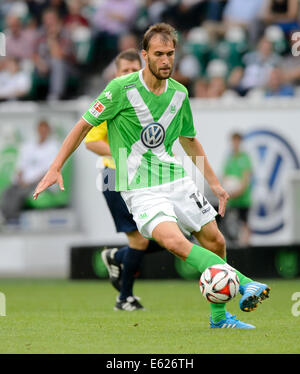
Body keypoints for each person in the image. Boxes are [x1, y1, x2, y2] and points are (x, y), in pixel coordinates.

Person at [33, 23, 271, 329]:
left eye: (170, 53)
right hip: (139, 189)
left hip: (176, 179)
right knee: (173, 242)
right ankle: (246, 282)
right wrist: (55, 167)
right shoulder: (119, 89)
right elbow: (83, 127)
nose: (166, 61)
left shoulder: (180, 93)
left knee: (215, 241)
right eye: (159, 54)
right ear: (145, 55)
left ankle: (219, 318)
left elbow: (189, 140)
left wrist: (213, 182)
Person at [85, 48, 163, 311]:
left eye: (134, 70)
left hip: (142, 175)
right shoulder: (111, 100)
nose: (130, 74)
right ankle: (124, 298)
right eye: (125, 71)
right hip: (113, 176)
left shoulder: (146, 100)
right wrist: (122, 153)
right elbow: (91, 142)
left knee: (164, 235)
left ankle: (116, 257)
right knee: (141, 239)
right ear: (116, 74)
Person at [1, 120, 59, 224]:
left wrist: (29, 182)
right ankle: (5, 218)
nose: (43, 132)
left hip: (40, 182)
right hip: (23, 182)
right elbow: (21, 166)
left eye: (45, 130)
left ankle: (12, 220)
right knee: (7, 192)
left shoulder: (53, 147)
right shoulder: (29, 146)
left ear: (49, 131)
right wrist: (20, 179)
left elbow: (48, 171)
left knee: (20, 194)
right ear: (37, 130)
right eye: (41, 130)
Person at [223, 133, 253, 246]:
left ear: (240, 142)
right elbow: (225, 178)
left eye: (237, 141)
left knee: (244, 223)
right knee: (230, 223)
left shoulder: (245, 158)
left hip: (243, 198)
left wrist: (238, 192)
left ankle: (245, 247)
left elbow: (246, 179)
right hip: (232, 199)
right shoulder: (229, 158)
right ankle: (233, 245)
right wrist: (229, 192)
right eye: (233, 141)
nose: (235, 144)